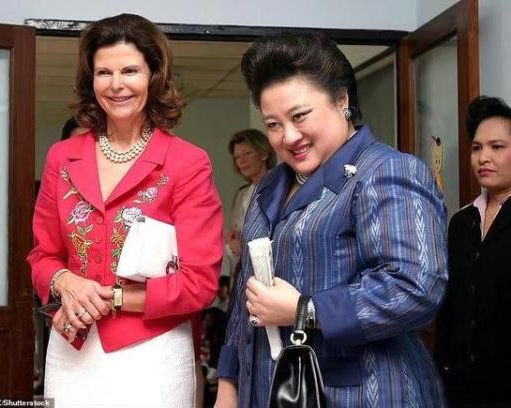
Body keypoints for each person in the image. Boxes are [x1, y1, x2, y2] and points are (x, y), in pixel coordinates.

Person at [215, 33, 448, 407]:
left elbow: (415, 288)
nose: (289, 136)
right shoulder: (269, 186)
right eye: (273, 124)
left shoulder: (386, 171)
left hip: (359, 391)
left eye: (299, 116)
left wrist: (305, 310)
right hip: (266, 387)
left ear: (342, 100)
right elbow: (249, 293)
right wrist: (229, 383)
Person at [27, 14, 223, 407]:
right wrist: (65, 281)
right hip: (71, 349)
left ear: (154, 75)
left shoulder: (187, 163)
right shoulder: (62, 158)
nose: (116, 84)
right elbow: (43, 255)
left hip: (152, 351)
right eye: (104, 72)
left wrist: (110, 298)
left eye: (130, 71)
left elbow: (199, 283)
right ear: (91, 80)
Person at [434, 96, 511, 407]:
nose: (483, 158)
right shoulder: (462, 222)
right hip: (461, 387)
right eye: (476, 148)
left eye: (497, 147)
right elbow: (451, 307)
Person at [225, 129, 275, 281]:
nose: (242, 161)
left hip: (271, 275)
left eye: (247, 153)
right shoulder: (242, 193)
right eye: (237, 157)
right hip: (242, 276)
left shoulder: (279, 188)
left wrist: (244, 247)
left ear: (264, 154)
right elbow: (235, 231)